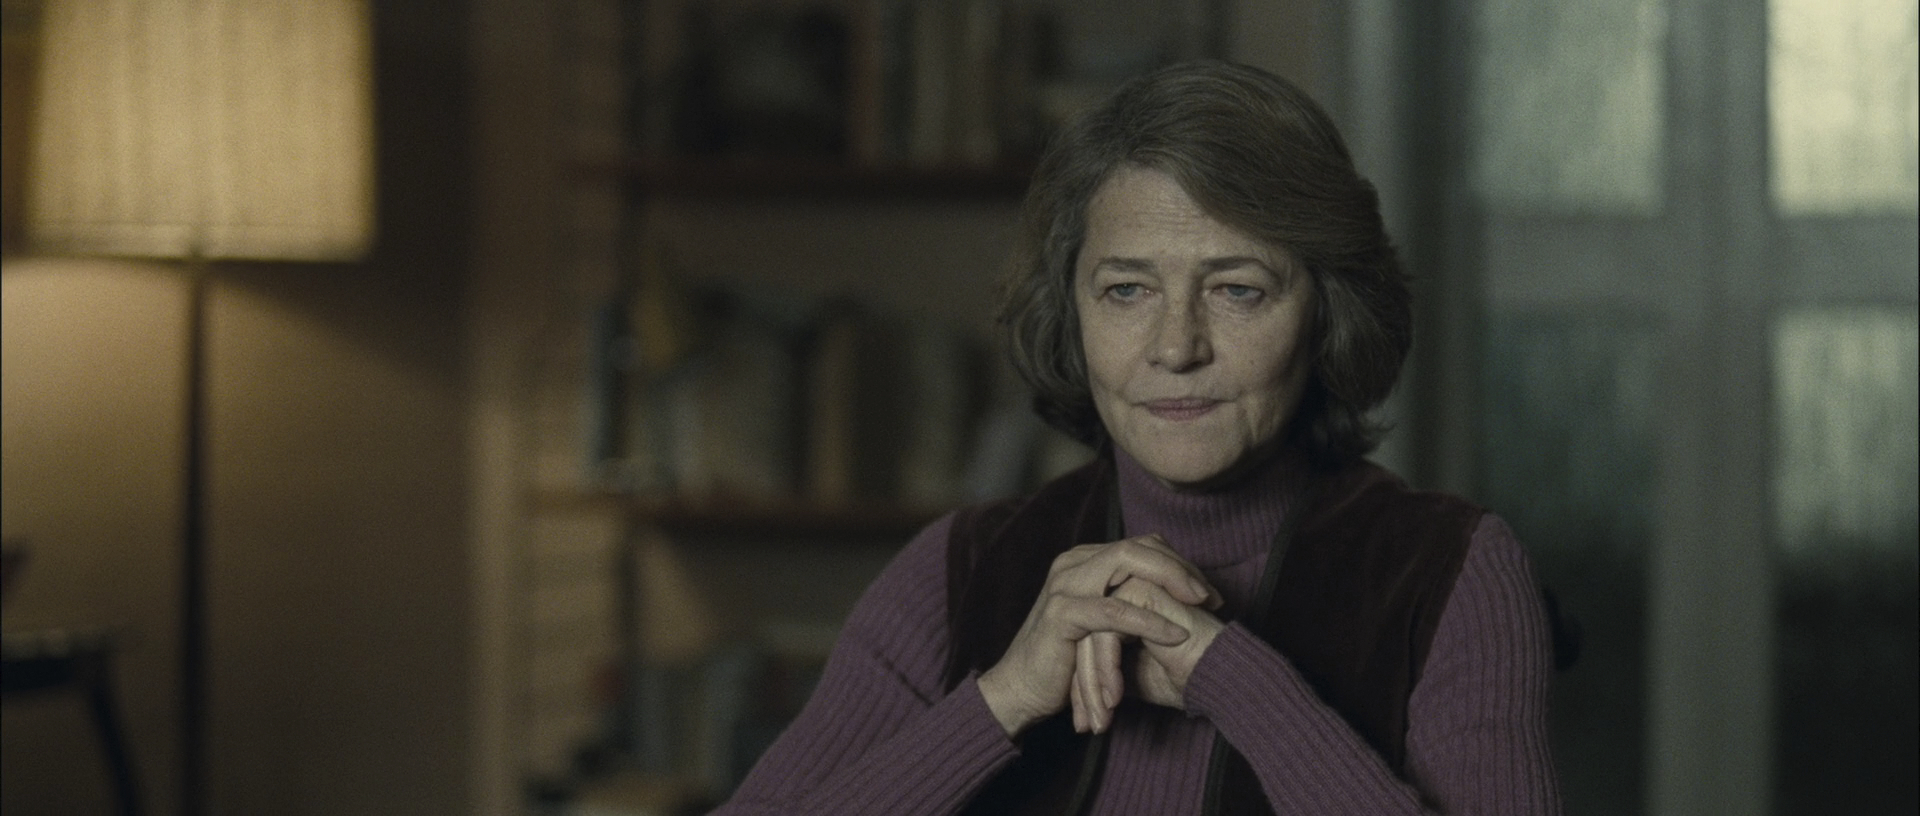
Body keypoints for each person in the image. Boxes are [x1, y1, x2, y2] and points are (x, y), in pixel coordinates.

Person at [713, 60, 1562, 815]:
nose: (1175, 348)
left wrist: (1240, 685)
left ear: (1327, 311)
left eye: (1237, 290)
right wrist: (1001, 702)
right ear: (1071, 311)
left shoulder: (1452, 573)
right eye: (1126, 290)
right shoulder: (960, 569)